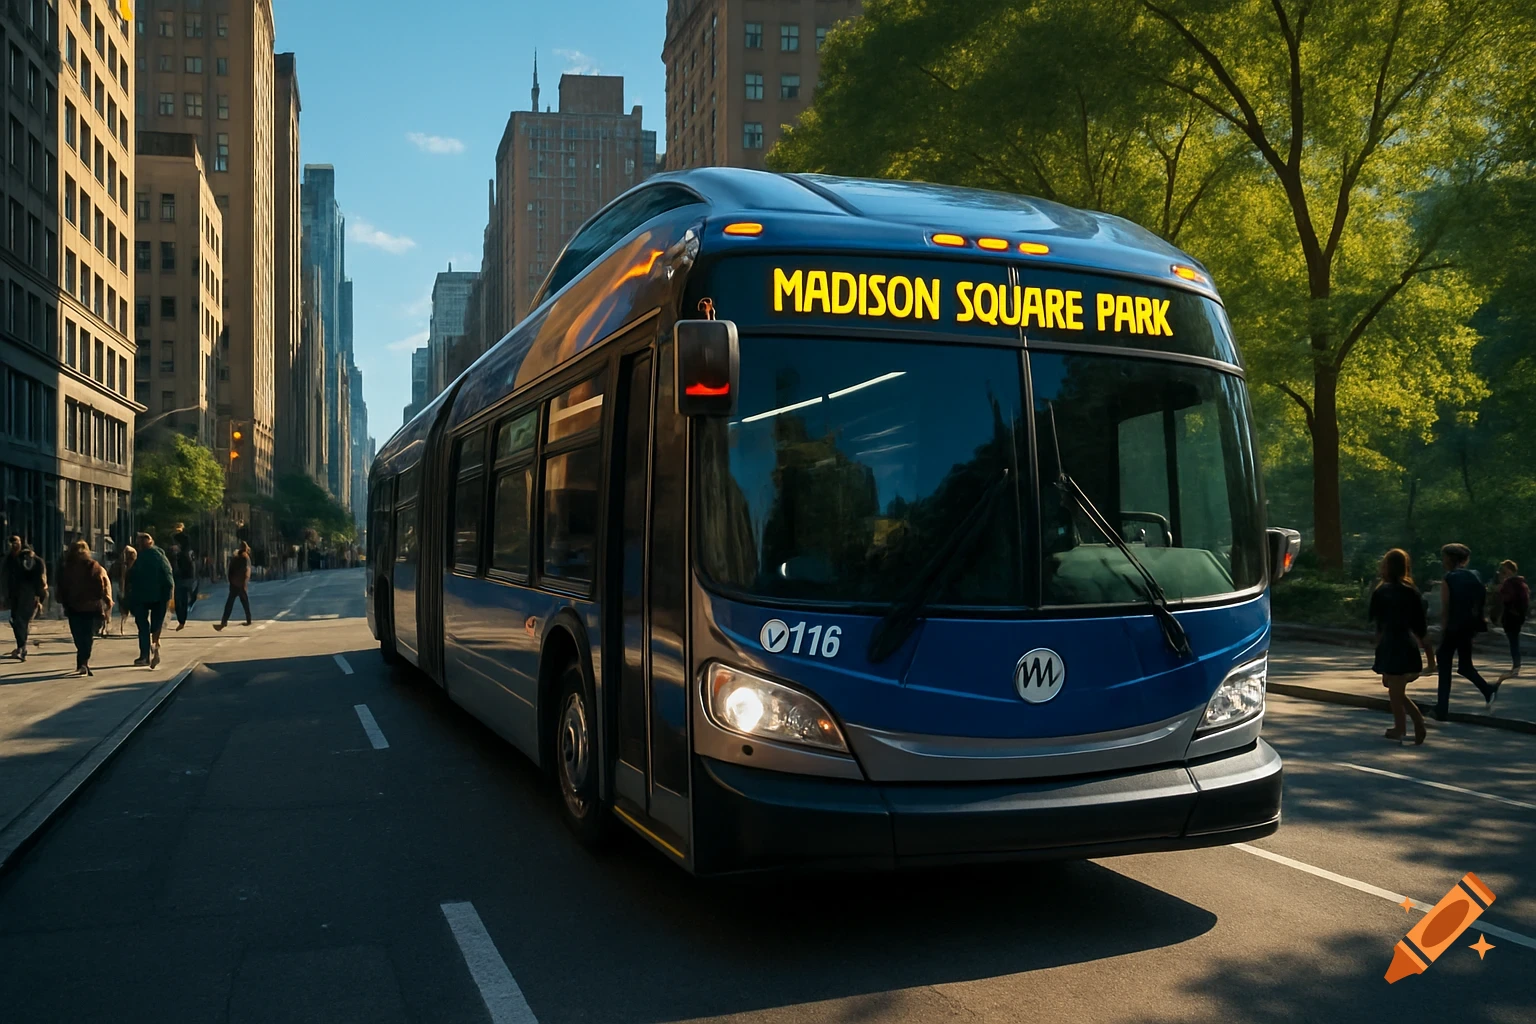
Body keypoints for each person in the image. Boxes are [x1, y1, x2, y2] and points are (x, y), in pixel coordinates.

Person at [1369, 549, 1434, 745]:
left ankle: (1404, 727)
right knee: (1393, 686)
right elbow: (1421, 628)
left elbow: (1378, 625)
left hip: (1390, 642)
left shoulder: (1381, 591)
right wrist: (1431, 659)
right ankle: (1413, 723)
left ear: (1386, 566)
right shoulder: (1412, 592)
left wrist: (1378, 648)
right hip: (1406, 642)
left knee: (1393, 687)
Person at [1435, 542, 1499, 719]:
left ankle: (1441, 709)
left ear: (1449, 559)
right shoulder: (1475, 576)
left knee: (1444, 661)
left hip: (1453, 626)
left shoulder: (1449, 578)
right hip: (1469, 626)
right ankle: (1488, 690)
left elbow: (1446, 607)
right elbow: (1480, 602)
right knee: (1464, 665)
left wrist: (1443, 629)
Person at [58, 540, 113, 676]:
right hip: (87, 607)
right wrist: (106, 600)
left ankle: (83, 663)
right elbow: (102, 585)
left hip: (77, 607)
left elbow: (101, 584)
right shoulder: (89, 566)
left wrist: (61, 599)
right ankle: (83, 662)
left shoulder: (71, 567)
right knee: (85, 637)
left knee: (81, 636)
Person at [127, 532, 174, 668]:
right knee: (156, 625)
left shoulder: (140, 558)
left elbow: (132, 577)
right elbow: (168, 576)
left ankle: (144, 656)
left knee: (143, 626)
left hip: (141, 597)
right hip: (159, 597)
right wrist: (169, 595)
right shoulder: (160, 556)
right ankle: (155, 645)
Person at [2, 536, 48, 662]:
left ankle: (21, 648)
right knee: (16, 621)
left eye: (15, 542)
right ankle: (21, 647)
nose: (13, 545)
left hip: (28, 596)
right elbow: (4, 577)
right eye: (11, 543)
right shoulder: (8, 559)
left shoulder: (29, 558)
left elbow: (40, 578)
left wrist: (41, 596)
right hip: (13, 596)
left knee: (21, 621)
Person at [1495, 560, 1529, 683]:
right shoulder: (1521, 583)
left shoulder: (1510, 583)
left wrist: (1500, 590)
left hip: (1511, 616)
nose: (1501, 572)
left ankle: (1516, 665)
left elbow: (1506, 600)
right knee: (1514, 640)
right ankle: (1516, 664)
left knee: (1513, 641)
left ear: (1509, 570)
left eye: (1503, 570)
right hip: (1519, 616)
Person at [215, 541, 253, 631]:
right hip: (241, 583)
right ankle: (248, 619)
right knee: (244, 602)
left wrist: (231, 581)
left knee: (230, 603)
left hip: (234, 583)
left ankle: (224, 621)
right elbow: (247, 570)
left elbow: (230, 570)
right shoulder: (245, 557)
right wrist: (245, 581)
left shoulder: (236, 557)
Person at [171, 542, 198, 631]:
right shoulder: (182, 555)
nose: (173, 547)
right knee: (182, 601)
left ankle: (181, 621)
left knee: (180, 601)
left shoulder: (182, 556)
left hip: (182, 581)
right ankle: (182, 621)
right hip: (184, 580)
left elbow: (182, 569)